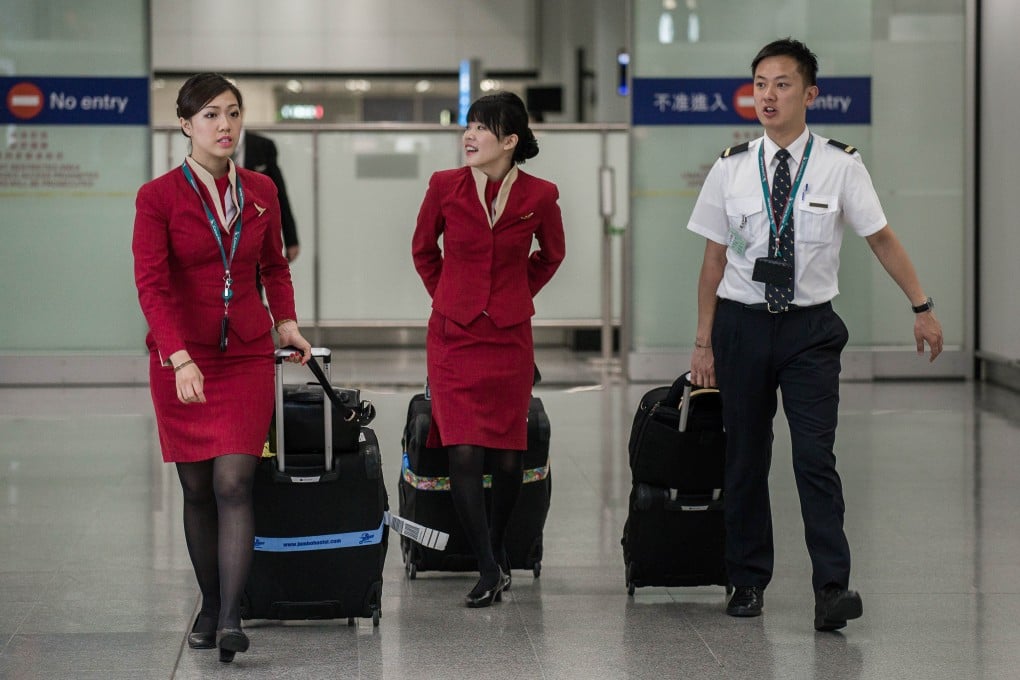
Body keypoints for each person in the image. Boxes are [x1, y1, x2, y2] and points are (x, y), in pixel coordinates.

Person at [686, 38, 943, 631]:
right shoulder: (729, 168)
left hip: (809, 331)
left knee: (814, 457)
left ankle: (832, 587)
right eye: (759, 84)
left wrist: (921, 305)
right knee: (745, 456)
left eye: (781, 84)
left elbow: (881, 237)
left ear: (810, 93)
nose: (767, 95)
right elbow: (712, 262)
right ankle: (746, 579)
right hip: (742, 327)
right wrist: (704, 342)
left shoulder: (840, 163)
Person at [132, 73, 312, 661]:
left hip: (246, 355)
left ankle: (233, 615)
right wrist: (178, 355)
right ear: (185, 125)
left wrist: (286, 323)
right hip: (183, 355)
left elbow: (274, 267)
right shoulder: (157, 197)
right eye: (210, 115)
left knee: (235, 481)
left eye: (233, 113)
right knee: (197, 488)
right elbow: (152, 284)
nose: (225, 125)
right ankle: (209, 603)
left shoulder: (260, 188)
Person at [411, 91, 565, 607]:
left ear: (510, 140)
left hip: (508, 337)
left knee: (506, 459)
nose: (469, 135)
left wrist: (516, 294)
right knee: (463, 452)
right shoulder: (444, 186)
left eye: (482, 127)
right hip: (453, 337)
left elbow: (552, 254)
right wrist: (449, 295)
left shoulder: (540, 195)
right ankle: (485, 565)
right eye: (469, 125)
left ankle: (497, 551)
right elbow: (422, 250)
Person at [235, 129, 300, 262]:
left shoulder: (263, 146)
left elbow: (279, 195)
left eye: (234, 113)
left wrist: (290, 238)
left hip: (255, 237)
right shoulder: (208, 144)